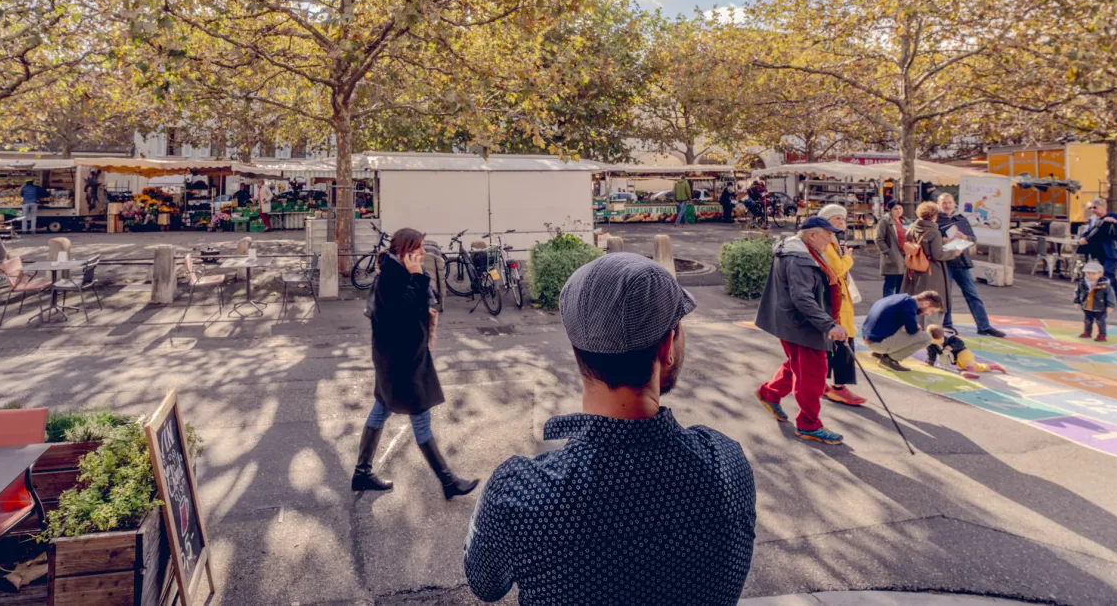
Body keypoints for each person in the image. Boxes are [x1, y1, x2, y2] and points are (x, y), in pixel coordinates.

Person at [464, 253, 756, 605]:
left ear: (576, 351)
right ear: (668, 347)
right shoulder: (725, 462)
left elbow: (485, 584)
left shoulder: (522, 491)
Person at [351, 228, 478, 499]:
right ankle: (448, 481)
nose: (422, 253)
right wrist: (418, 277)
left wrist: (418, 276)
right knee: (420, 417)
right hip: (402, 364)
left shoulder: (400, 273)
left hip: (398, 360)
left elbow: (420, 302)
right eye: (417, 248)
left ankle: (362, 473)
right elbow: (401, 315)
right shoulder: (390, 278)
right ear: (403, 251)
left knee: (381, 408)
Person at [754, 217, 850, 445]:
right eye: (827, 234)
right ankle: (809, 424)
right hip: (803, 325)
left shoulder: (798, 251)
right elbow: (803, 298)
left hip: (793, 323)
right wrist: (830, 325)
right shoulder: (800, 258)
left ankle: (770, 393)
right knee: (813, 375)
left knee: (798, 364)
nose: (830, 239)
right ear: (812, 235)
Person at [936, 193, 1007, 338]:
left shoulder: (961, 219)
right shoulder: (935, 220)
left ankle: (984, 326)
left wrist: (965, 237)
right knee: (946, 296)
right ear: (938, 204)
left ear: (954, 204)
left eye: (949, 202)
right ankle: (947, 325)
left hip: (962, 261)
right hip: (945, 262)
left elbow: (973, 238)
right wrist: (944, 240)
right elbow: (931, 241)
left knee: (973, 294)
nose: (947, 205)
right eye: (944, 203)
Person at [816, 204, 866, 408]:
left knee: (836, 342)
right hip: (836, 300)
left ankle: (827, 384)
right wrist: (849, 258)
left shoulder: (833, 241)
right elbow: (837, 269)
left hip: (838, 299)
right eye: (836, 218)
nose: (840, 221)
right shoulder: (827, 243)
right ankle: (837, 386)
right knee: (843, 342)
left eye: (842, 218)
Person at [903, 201, 962, 335]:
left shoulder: (912, 228)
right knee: (932, 303)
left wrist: (941, 242)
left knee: (917, 301)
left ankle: (915, 331)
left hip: (915, 270)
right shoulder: (934, 232)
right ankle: (930, 335)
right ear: (934, 215)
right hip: (932, 272)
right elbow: (937, 254)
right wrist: (954, 252)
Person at [861, 291, 946, 372]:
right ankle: (889, 359)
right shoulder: (910, 304)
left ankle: (878, 353)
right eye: (931, 311)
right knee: (927, 338)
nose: (929, 314)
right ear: (926, 303)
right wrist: (915, 327)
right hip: (877, 343)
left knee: (903, 325)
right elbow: (912, 330)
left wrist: (914, 326)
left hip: (868, 338)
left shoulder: (901, 298)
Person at [1078, 197, 1117, 302]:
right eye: (1091, 208)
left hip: (1112, 251)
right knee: (1109, 274)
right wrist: (1082, 237)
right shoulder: (1092, 219)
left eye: (1095, 207)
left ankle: (1106, 297)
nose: (1093, 210)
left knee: (1107, 273)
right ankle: (1115, 296)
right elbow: (1087, 230)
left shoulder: (1113, 216)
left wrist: (1115, 222)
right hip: (1097, 251)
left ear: (1103, 207)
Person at [926, 334, 1007, 379]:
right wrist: (930, 362)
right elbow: (931, 354)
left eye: (942, 340)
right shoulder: (931, 345)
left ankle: (972, 372)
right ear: (932, 340)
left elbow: (961, 343)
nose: (941, 342)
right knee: (977, 367)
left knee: (967, 362)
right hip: (956, 360)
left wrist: (952, 346)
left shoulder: (950, 338)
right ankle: (994, 366)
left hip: (963, 353)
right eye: (937, 341)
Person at [1075, 260, 1116, 341]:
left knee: (1100, 322)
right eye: (1088, 273)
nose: (1090, 276)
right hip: (1087, 306)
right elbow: (1077, 292)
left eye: (1093, 274)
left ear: (1100, 274)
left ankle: (1102, 334)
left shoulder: (1105, 285)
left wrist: (1110, 305)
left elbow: (1110, 295)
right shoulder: (1082, 283)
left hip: (1100, 307)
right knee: (1087, 321)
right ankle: (1087, 332)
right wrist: (1077, 301)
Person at [874, 198, 907, 298]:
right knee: (890, 284)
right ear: (890, 210)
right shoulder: (885, 221)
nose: (898, 211)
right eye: (895, 209)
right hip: (893, 256)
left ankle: (898, 306)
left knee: (901, 285)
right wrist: (887, 252)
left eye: (900, 208)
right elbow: (879, 238)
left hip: (904, 255)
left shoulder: (904, 220)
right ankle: (887, 306)